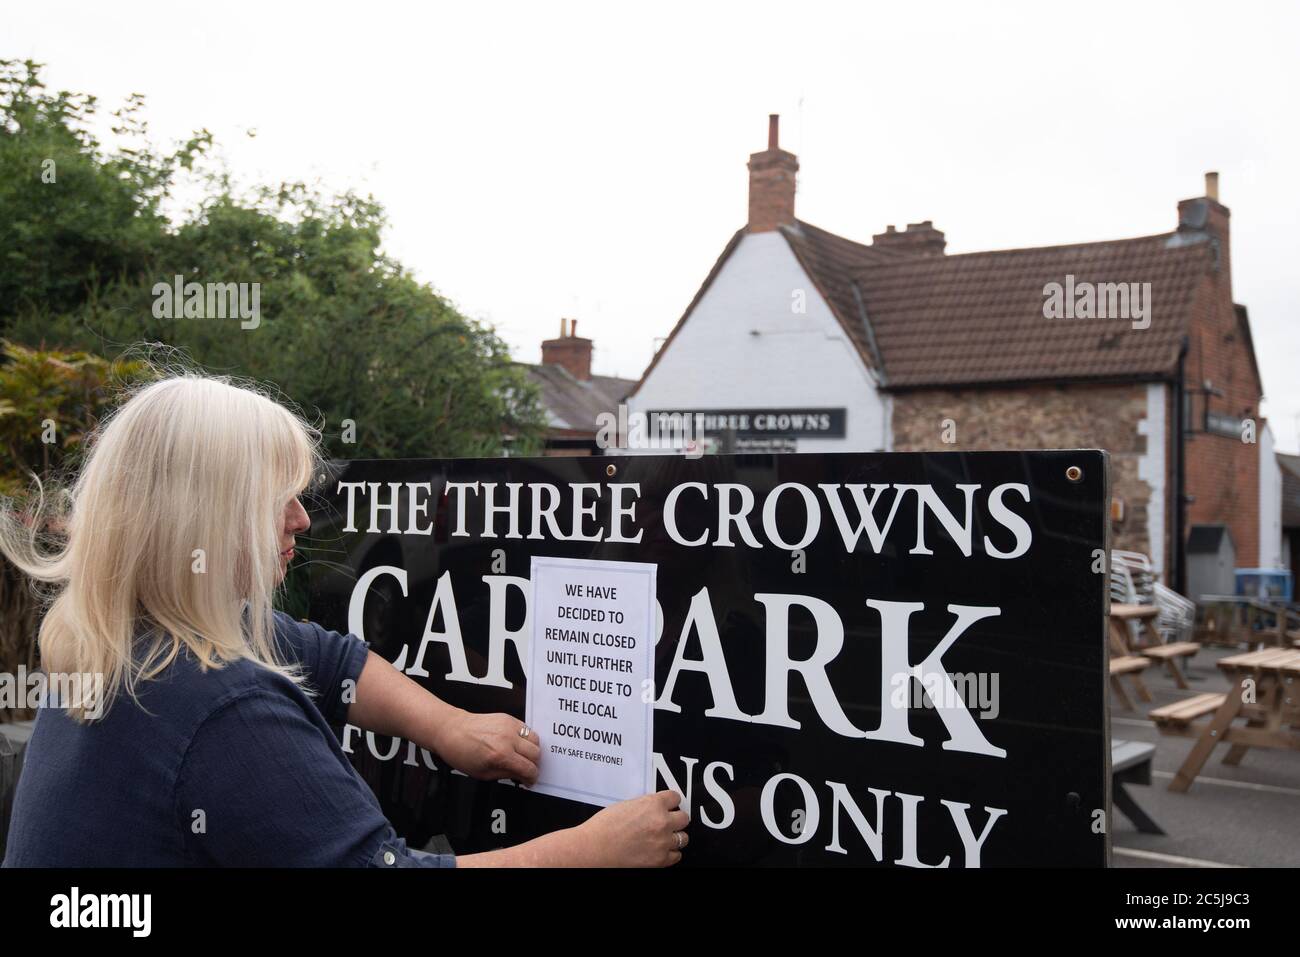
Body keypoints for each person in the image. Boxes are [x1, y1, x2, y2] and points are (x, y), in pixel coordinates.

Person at [0, 372, 688, 867]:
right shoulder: (223, 711)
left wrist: (450, 725)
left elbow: (329, 659)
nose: (301, 517)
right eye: (277, 499)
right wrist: (596, 849)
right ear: (205, 519)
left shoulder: (127, 635)